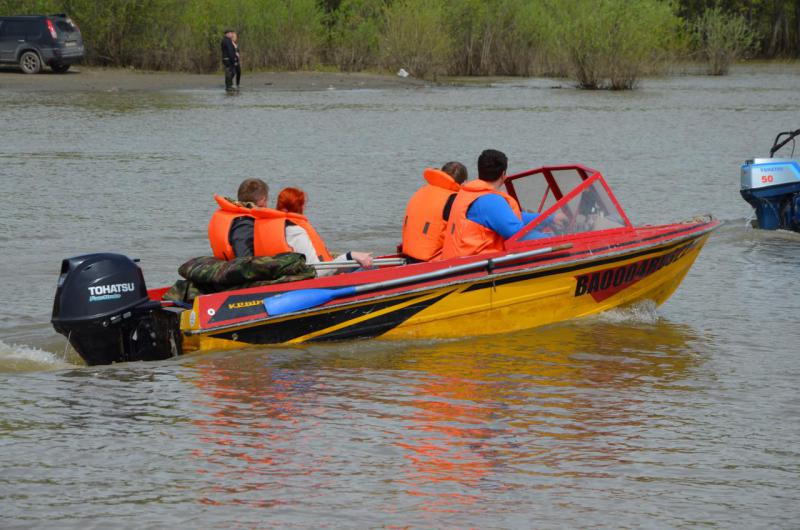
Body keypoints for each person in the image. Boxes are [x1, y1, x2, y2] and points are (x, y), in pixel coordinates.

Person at [439, 149, 564, 260]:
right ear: (503, 175)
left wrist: (549, 218)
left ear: (479, 171)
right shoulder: (489, 200)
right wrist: (553, 239)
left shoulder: (467, 193)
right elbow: (519, 236)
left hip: (455, 262)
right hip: (473, 268)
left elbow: (510, 217)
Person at [276, 187, 373, 275]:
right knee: (371, 267)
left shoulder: (274, 229)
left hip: (285, 277)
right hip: (314, 282)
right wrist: (350, 256)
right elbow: (317, 272)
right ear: (301, 207)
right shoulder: (296, 232)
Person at [400, 161, 468, 262]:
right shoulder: (453, 199)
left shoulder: (421, 191)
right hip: (431, 260)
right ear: (464, 183)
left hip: (408, 254)